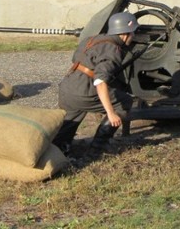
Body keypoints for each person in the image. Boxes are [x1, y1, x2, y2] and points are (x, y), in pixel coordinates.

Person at [52, 12, 138, 155]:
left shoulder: (92, 39)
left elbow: (77, 58)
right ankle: (97, 149)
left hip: (68, 87)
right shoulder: (112, 49)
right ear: (124, 33)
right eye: (133, 32)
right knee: (125, 102)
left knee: (70, 122)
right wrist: (111, 113)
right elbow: (100, 81)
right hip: (84, 91)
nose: (134, 36)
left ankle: (59, 148)